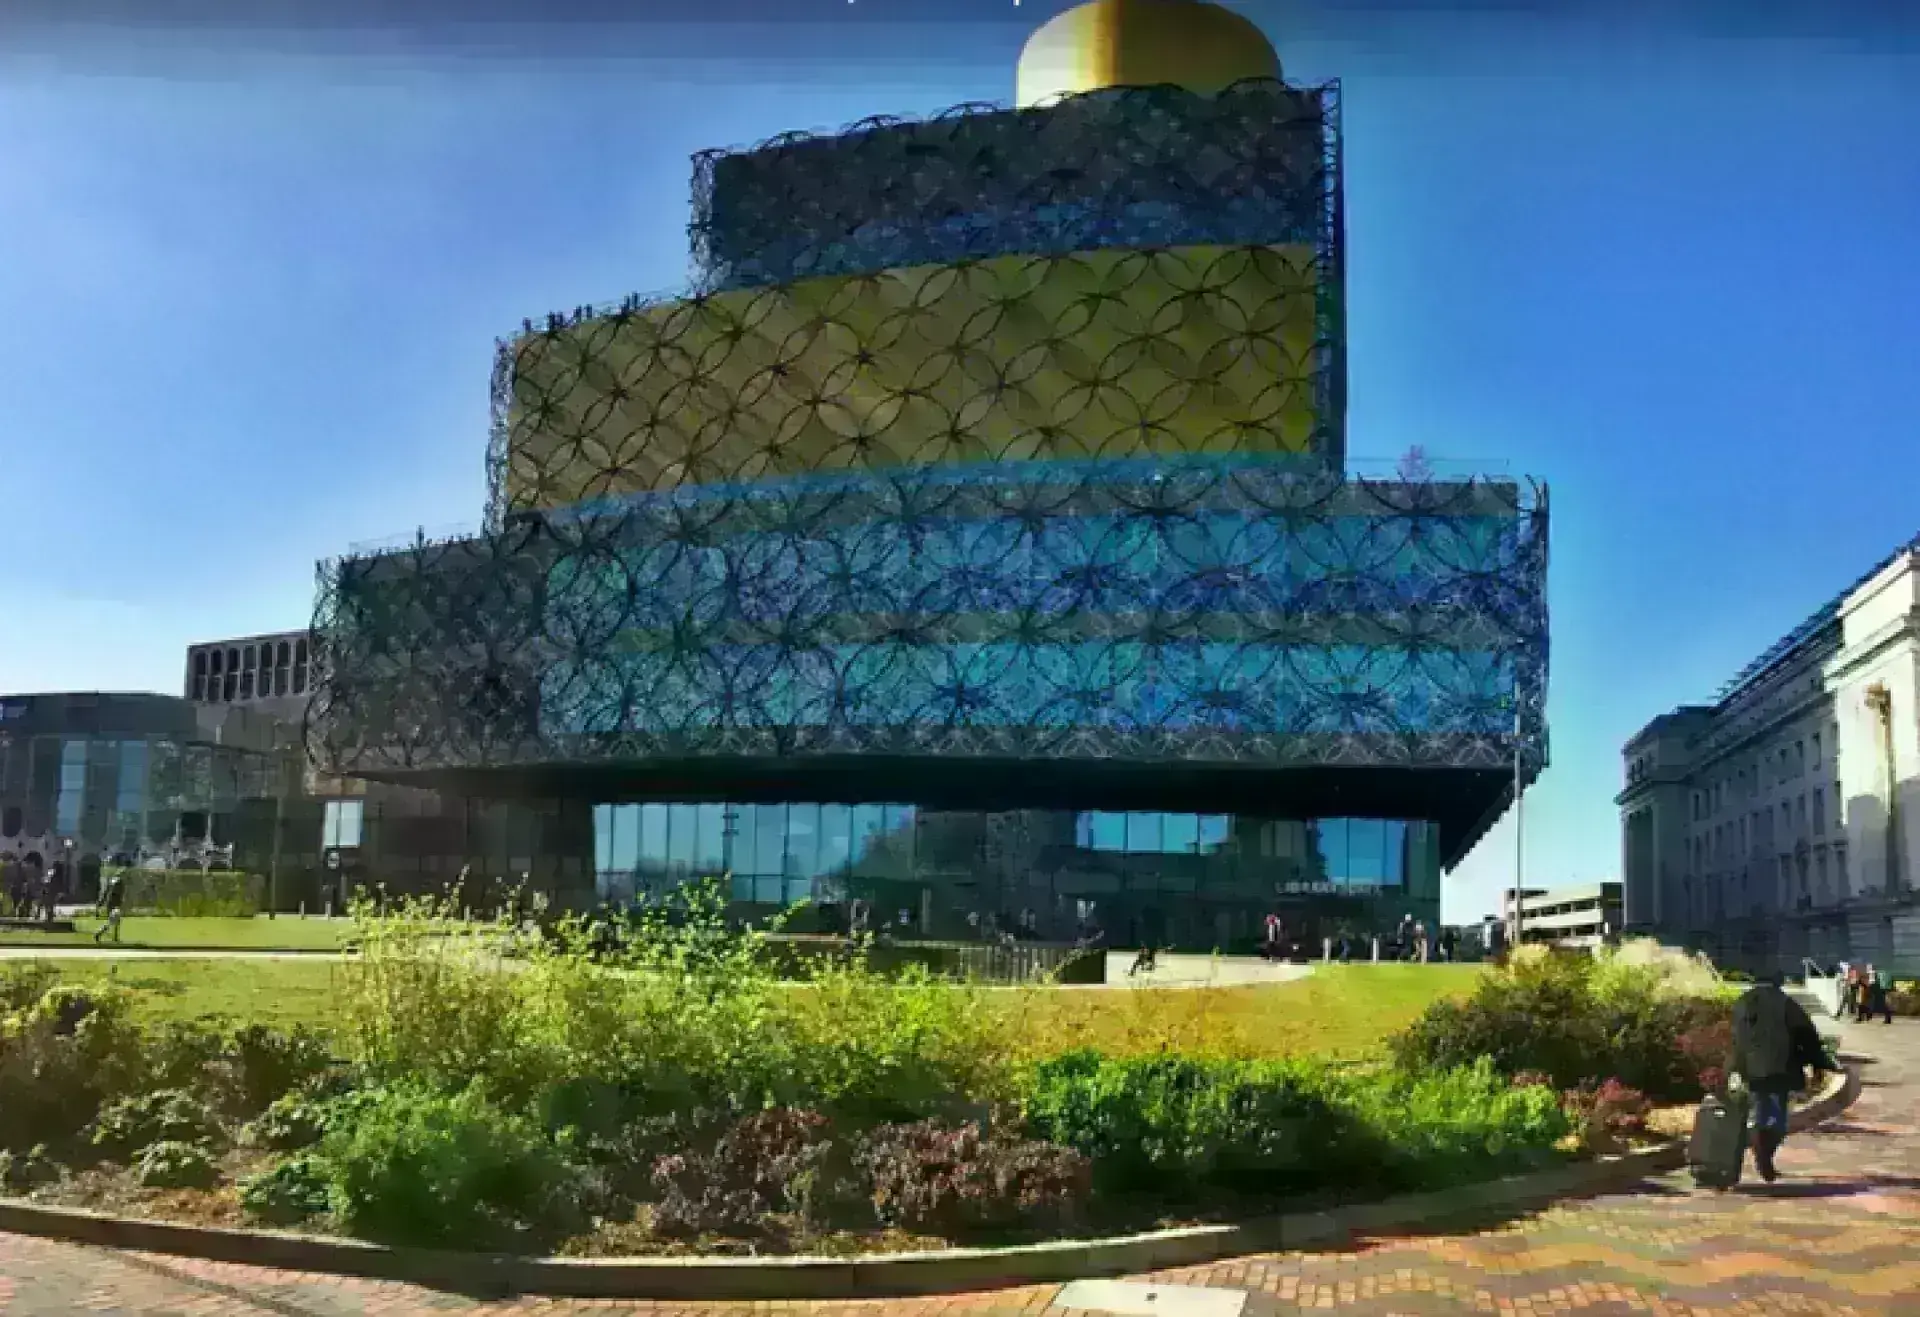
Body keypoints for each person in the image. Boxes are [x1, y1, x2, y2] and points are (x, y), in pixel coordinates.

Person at [1729, 969, 1827, 1183]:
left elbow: (1736, 1038)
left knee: (1758, 1112)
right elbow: (1807, 1035)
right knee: (1778, 1118)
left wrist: (1735, 1067)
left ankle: (1760, 1148)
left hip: (1751, 1070)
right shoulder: (1787, 1004)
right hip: (1781, 1069)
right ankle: (1766, 1154)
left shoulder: (1743, 1002)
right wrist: (1817, 1064)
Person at [93, 871, 127, 944]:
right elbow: (119, 894)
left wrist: (101, 902)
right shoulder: (119, 882)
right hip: (115, 904)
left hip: (110, 903)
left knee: (116, 921)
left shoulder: (111, 881)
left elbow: (106, 892)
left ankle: (115, 938)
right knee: (112, 921)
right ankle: (98, 934)